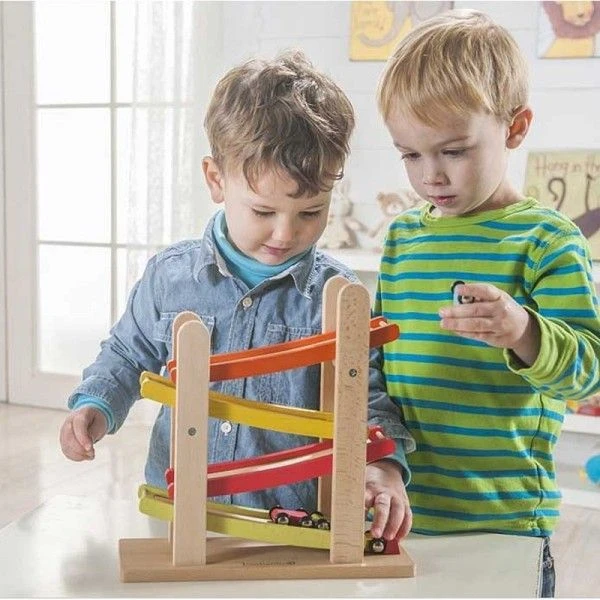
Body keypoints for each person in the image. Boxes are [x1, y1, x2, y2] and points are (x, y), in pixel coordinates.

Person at [59, 50, 415, 543]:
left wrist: (384, 466)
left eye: (311, 212)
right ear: (216, 180)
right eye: (263, 211)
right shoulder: (171, 276)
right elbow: (126, 354)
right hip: (178, 513)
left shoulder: (339, 296)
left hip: (288, 525)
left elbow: (367, 396)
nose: (285, 233)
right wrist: (96, 405)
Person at [375, 9, 600, 596]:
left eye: (453, 150)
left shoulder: (546, 240)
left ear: (515, 127)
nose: (431, 176)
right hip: (404, 513)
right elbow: (375, 363)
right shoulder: (403, 238)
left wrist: (524, 331)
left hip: (504, 521)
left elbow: (588, 372)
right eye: (410, 155)